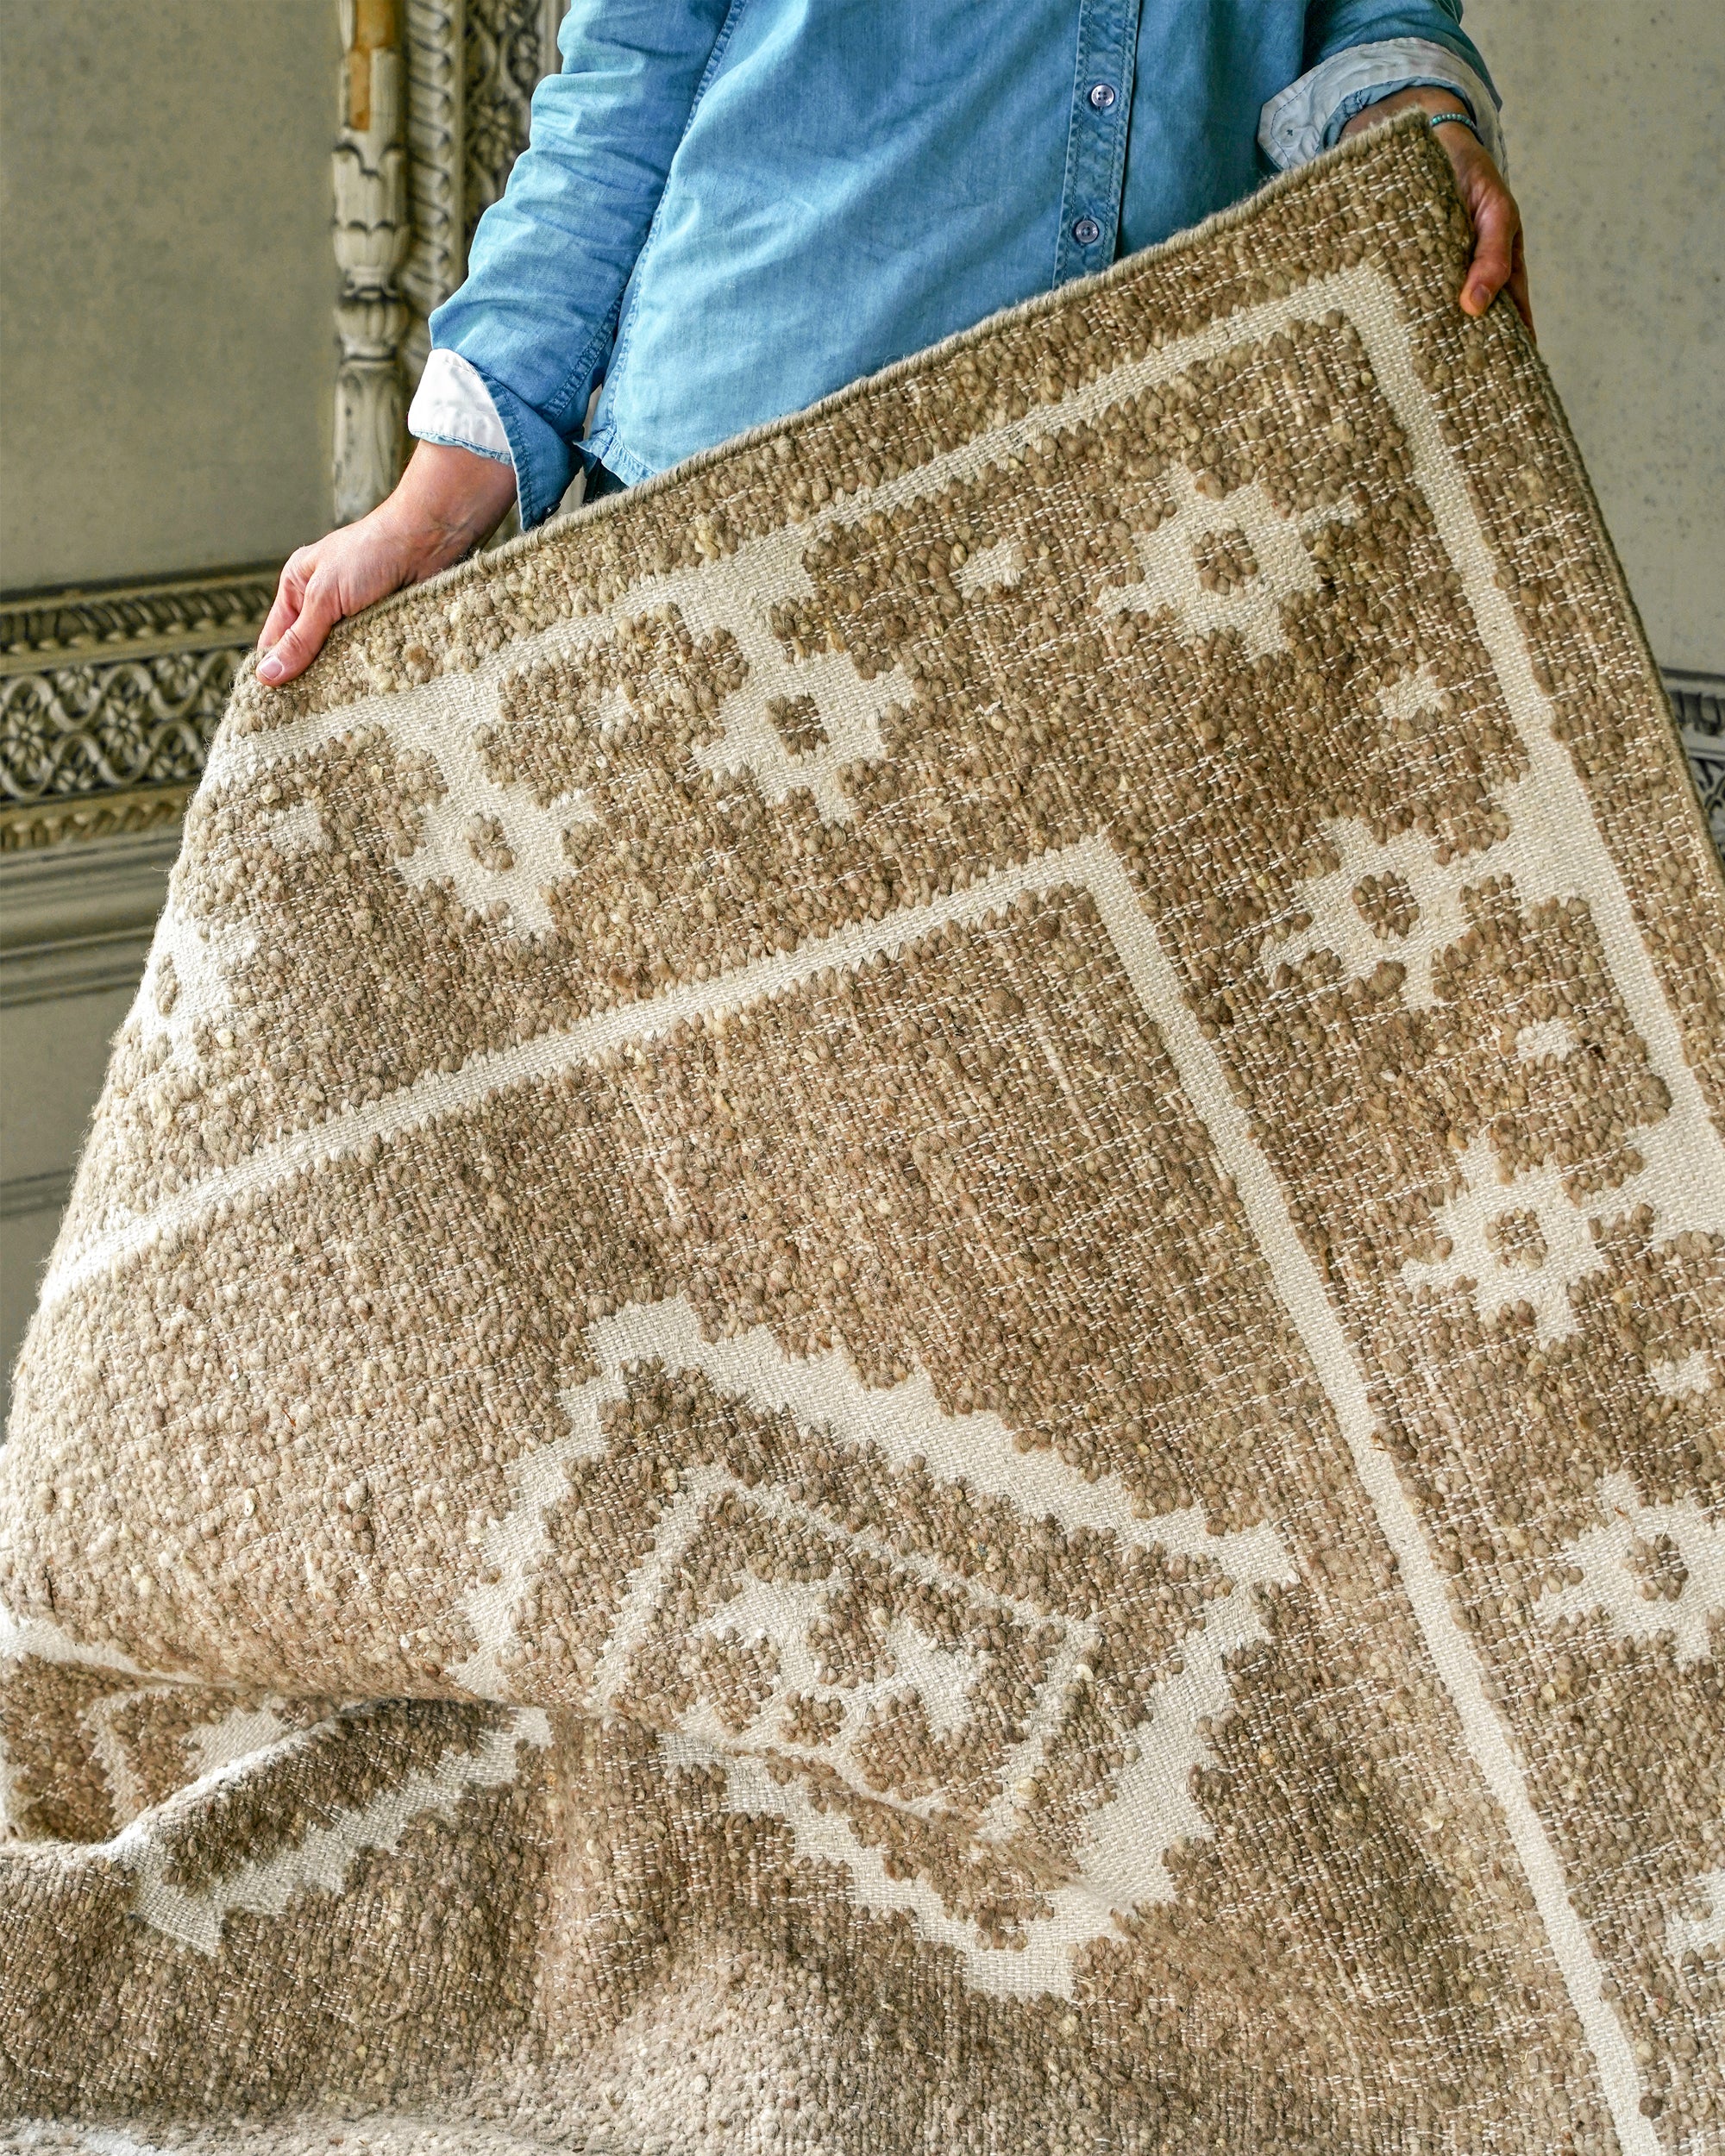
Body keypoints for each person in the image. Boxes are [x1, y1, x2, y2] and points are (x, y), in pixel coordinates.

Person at [257, 0, 1530, 687]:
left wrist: (1417, 124)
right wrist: (431, 507)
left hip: (1140, 495)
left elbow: (1371, 6)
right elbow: (624, 88)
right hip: (752, 504)